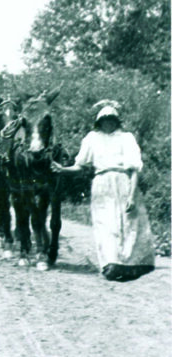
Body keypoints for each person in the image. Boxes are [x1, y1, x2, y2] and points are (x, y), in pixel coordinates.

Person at [51, 100, 155, 281]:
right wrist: (62, 169)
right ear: (99, 122)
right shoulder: (92, 138)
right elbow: (80, 165)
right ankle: (110, 263)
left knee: (128, 223)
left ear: (117, 121)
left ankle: (131, 264)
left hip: (124, 181)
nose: (109, 122)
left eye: (112, 119)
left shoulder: (126, 138)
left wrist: (131, 195)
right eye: (105, 119)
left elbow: (134, 169)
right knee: (105, 223)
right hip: (102, 182)